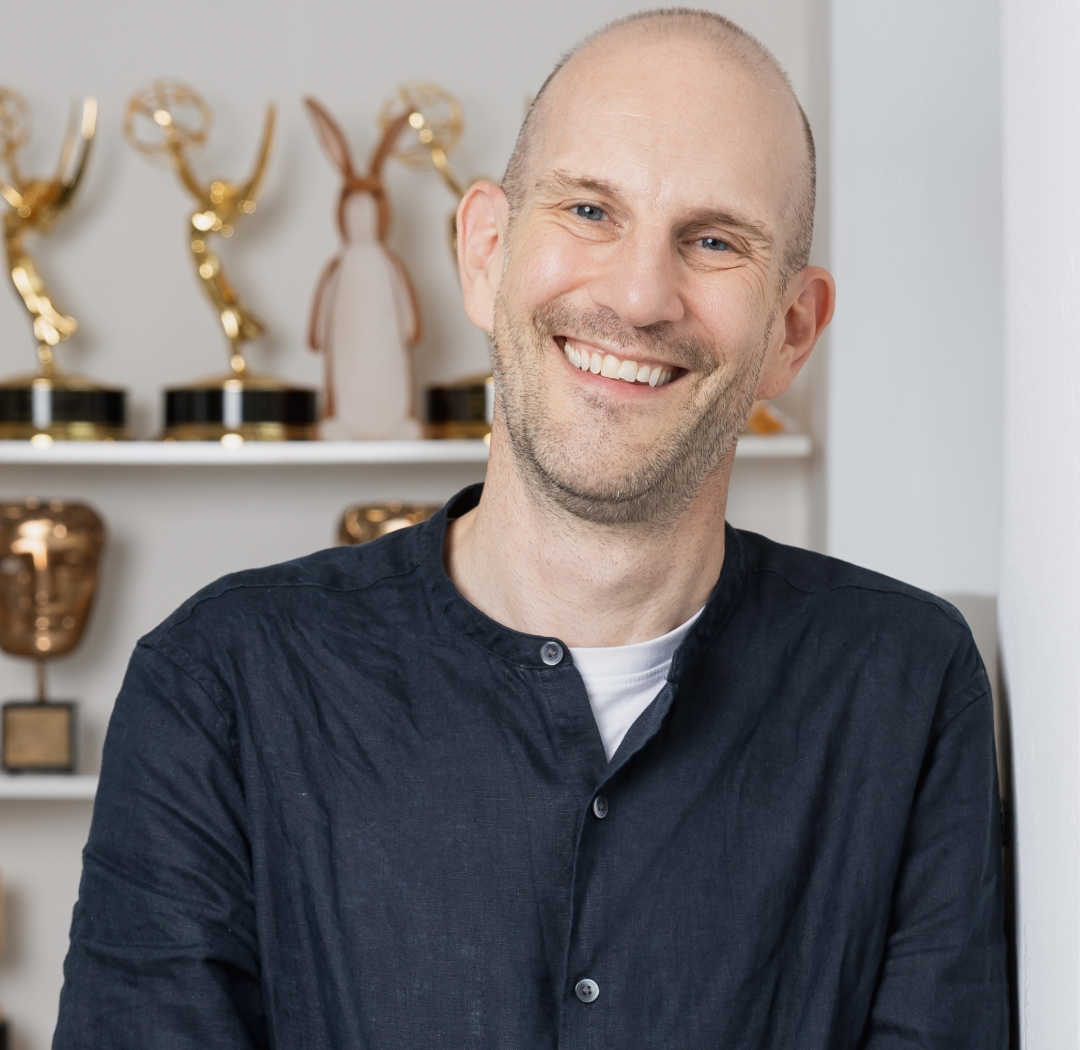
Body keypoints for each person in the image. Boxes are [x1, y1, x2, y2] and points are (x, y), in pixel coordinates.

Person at [53, 9, 1008, 1047]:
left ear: (791, 332)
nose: (640, 297)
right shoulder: (221, 686)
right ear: (485, 252)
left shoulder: (905, 688)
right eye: (591, 209)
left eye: (716, 239)